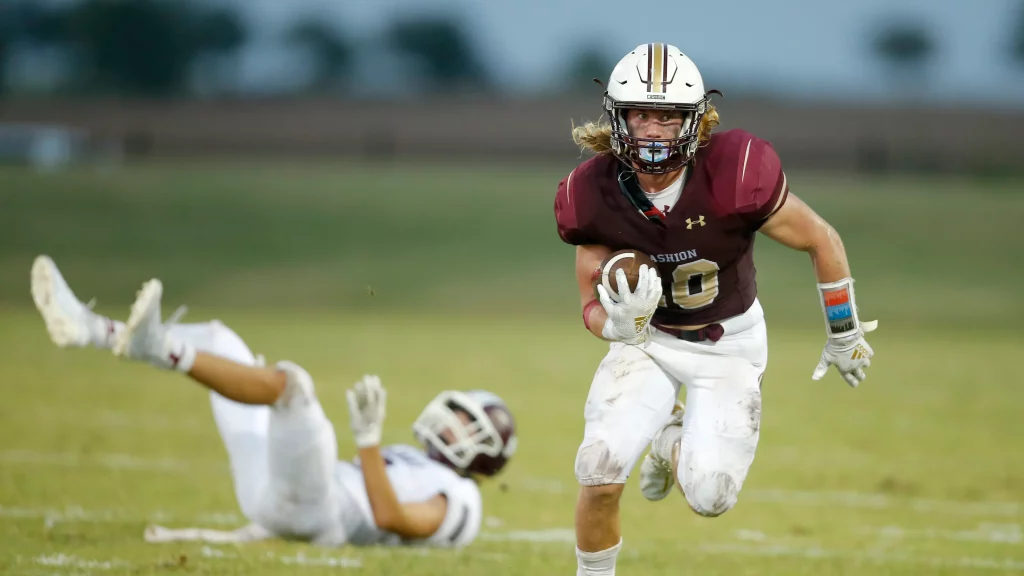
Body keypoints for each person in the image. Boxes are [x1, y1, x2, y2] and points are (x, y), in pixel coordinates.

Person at [553, 43, 878, 575]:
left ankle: (666, 442)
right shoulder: (589, 193)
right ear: (617, 117)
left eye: (668, 116)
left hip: (727, 344)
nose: (654, 130)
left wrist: (843, 331)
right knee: (599, 469)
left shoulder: (735, 172)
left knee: (711, 496)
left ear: (694, 121)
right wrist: (615, 326)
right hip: (650, 342)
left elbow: (821, 238)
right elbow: (589, 304)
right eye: (641, 114)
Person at [30, 254, 517, 548]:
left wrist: (368, 441)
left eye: (463, 424)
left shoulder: (463, 501)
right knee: (221, 341)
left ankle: (156, 345)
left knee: (293, 389)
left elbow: (393, 519)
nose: (448, 424)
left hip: (318, 509)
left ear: (483, 449)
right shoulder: (419, 462)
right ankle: (91, 328)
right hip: (279, 496)